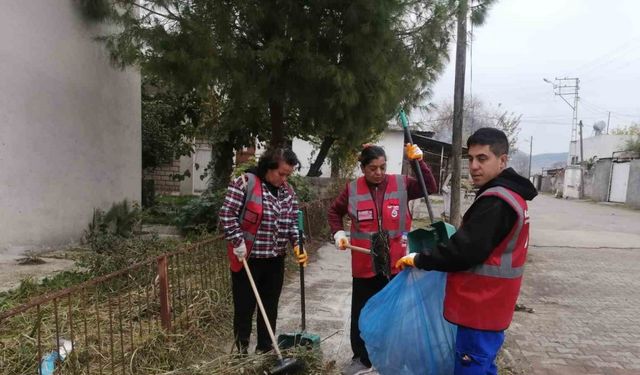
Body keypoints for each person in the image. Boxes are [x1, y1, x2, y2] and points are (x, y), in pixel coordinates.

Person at [396, 128, 538, 375]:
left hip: (480, 307)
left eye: (482, 159)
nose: (473, 166)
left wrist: (420, 258)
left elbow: (464, 252)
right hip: (492, 306)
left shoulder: (496, 201)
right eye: (470, 159)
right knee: (483, 366)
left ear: (502, 160)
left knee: (472, 367)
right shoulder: (513, 196)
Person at [328, 143, 437, 375]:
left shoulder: (401, 183)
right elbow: (334, 212)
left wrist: (419, 163)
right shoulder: (352, 189)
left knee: (397, 314)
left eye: (382, 167)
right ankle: (361, 358)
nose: (378, 172)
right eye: (372, 168)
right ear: (363, 168)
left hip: (397, 265)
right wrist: (338, 233)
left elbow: (430, 186)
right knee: (362, 312)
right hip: (364, 265)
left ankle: (393, 358)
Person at [219, 148, 308, 355]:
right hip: (248, 259)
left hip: (275, 260)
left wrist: (297, 244)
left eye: (288, 174)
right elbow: (227, 214)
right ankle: (240, 352)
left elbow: (293, 222)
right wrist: (237, 241)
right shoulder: (245, 183)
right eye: (282, 173)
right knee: (244, 308)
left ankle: (265, 349)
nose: (284, 179)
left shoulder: (288, 192)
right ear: (269, 168)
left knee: (269, 307)